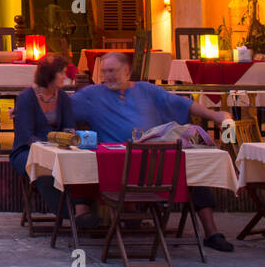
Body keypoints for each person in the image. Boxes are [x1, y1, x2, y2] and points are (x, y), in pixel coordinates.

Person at [72, 51, 235, 252]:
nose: (108, 76)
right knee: (81, 166)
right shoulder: (91, 95)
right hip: (118, 164)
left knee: (189, 169)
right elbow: (62, 105)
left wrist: (216, 116)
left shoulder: (147, 90)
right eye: (104, 71)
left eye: (112, 71)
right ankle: (127, 216)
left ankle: (212, 232)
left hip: (154, 160)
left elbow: (183, 104)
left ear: (127, 70)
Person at [9, 54, 75, 216]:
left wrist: (66, 142)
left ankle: (82, 209)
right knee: (44, 168)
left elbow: (69, 127)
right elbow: (26, 135)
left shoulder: (63, 98)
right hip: (28, 151)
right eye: (62, 73)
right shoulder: (26, 98)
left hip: (57, 150)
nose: (65, 77)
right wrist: (48, 150)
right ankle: (68, 213)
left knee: (77, 165)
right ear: (50, 75)